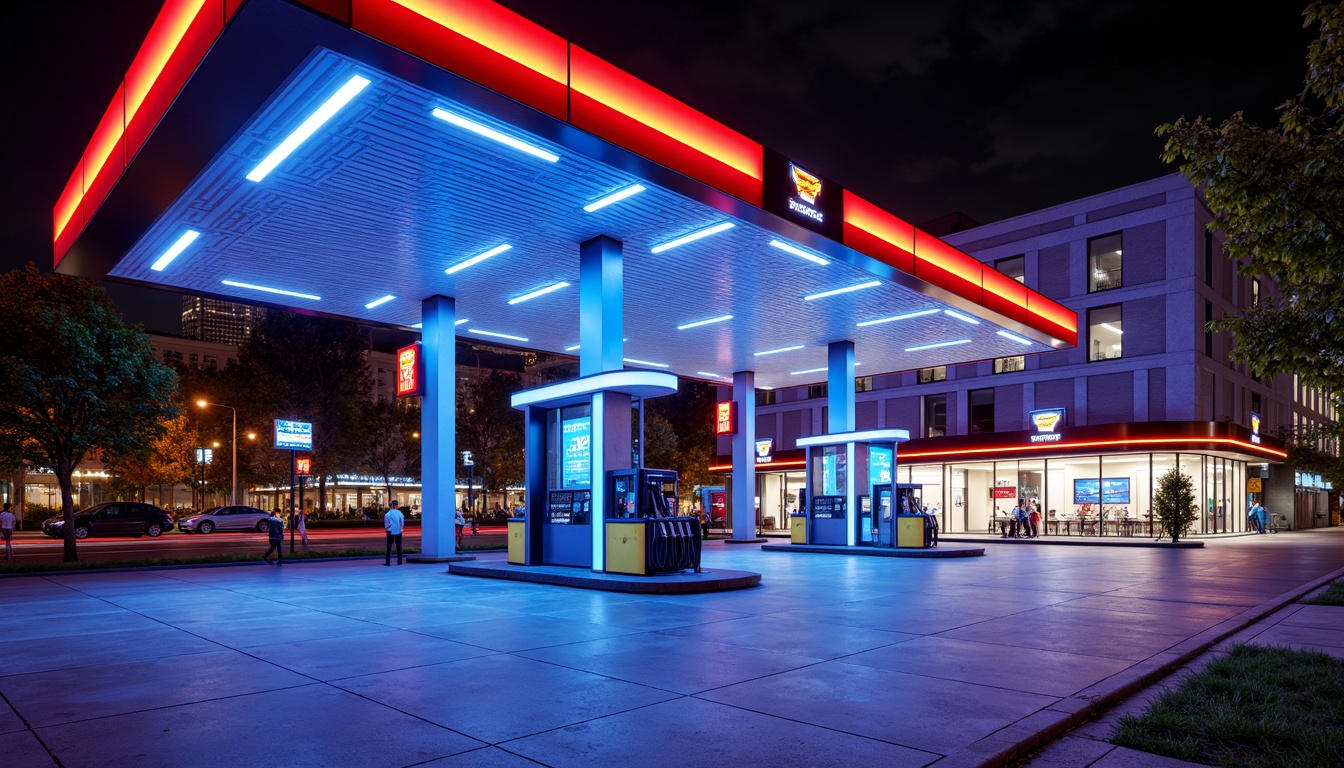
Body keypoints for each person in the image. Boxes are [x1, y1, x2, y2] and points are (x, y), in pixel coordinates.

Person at [384, 499, 405, 565]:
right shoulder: (400, 513)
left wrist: (387, 530)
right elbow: (402, 522)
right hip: (398, 532)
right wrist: (401, 530)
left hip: (390, 532)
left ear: (391, 505)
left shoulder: (388, 514)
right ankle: (400, 561)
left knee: (389, 548)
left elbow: (386, 524)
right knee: (399, 547)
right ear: (397, 505)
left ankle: (388, 562)